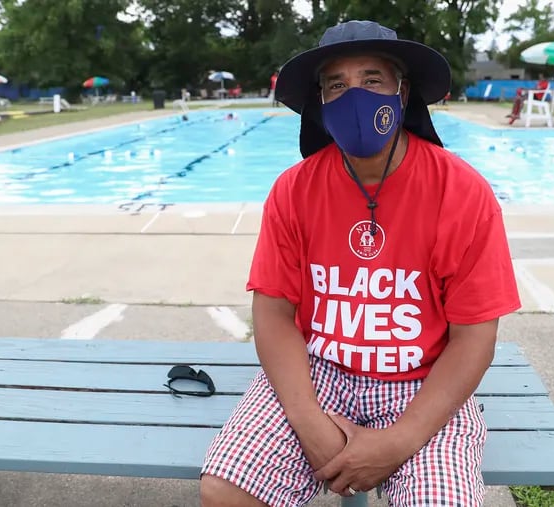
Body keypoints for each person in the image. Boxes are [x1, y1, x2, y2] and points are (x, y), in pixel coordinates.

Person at [200, 19, 521, 507]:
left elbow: (475, 335)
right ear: (321, 104)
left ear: (402, 90)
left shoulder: (462, 192)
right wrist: (307, 421)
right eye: (336, 85)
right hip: (319, 370)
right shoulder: (294, 190)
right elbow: (273, 313)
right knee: (226, 493)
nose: (355, 96)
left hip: (421, 377)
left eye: (372, 80)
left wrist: (400, 440)